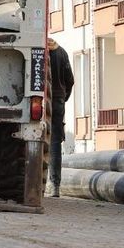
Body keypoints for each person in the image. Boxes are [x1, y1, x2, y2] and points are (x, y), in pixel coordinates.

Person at [46, 38, 75, 198]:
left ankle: (38, 183)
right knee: (55, 143)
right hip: (57, 99)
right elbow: (70, 80)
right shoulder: (61, 52)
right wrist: (63, 97)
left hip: (38, 98)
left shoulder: (39, 49)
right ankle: (55, 185)